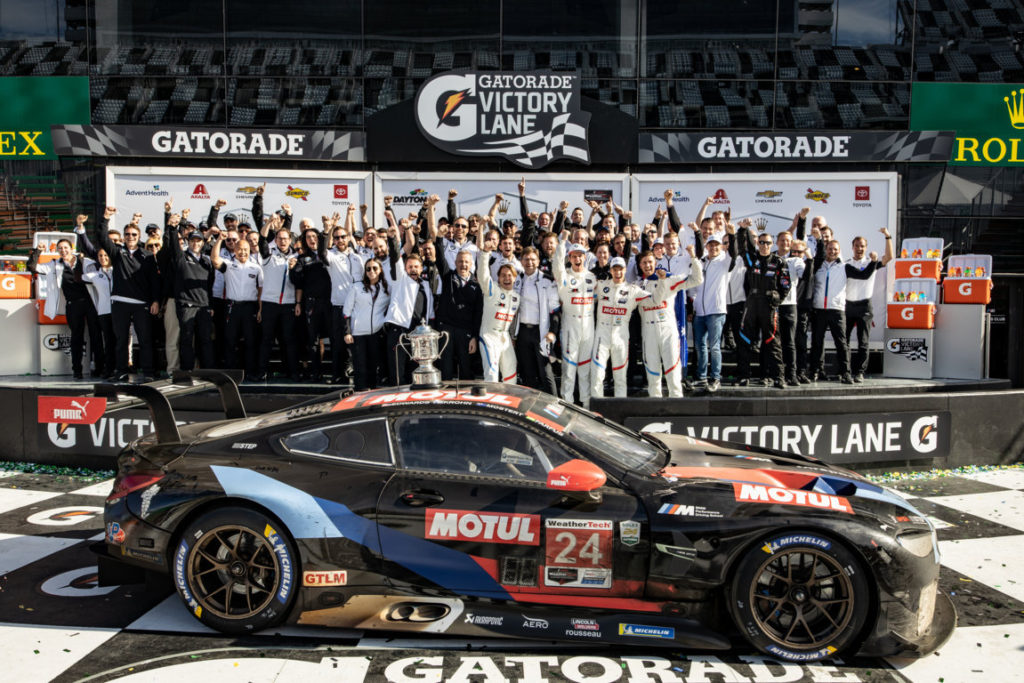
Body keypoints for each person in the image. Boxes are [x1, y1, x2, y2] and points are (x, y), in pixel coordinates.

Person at [96, 206, 160, 381]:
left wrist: (155, 301)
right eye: (127, 234)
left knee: (145, 340)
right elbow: (102, 238)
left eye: (134, 235)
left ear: (139, 237)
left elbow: (154, 281)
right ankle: (121, 370)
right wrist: (106, 218)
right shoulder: (117, 253)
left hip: (141, 304)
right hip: (120, 303)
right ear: (123, 237)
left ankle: (148, 372)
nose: (130, 237)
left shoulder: (147, 256)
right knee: (121, 340)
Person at [28, 235, 101, 379]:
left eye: (66, 248)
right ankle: (77, 370)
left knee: (96, 336)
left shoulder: (85, 262)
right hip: (73, 305)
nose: (63, 250)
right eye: (60, 248)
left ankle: (99, 368)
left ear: (71, 248)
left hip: (90, 303)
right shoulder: (54, 264)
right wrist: (38, 251)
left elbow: (101, 264)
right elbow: (32, 267)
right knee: (76, 338)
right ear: (57, 250)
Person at [636, 250, 703, 397]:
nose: (647, 265)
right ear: (640, 265)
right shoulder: (637, 286)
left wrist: (693, 256)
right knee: (653, 373)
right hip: (648, 330)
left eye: (650, 262)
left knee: (673, 371)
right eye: (644, 262)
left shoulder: (670, 279)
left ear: (655, 263)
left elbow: (697, 279)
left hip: (668, 329)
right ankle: (655, 407)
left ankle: (677, 406)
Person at [737, 224, 791, 389]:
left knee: (772, 342)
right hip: (752, 303)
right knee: (745, 339)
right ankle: (744, 376)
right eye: (761, 242)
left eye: (768, 243)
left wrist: (778, 300)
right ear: (758, 243)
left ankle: (778, 377)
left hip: (769, 305)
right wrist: (741, 230)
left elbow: (786, 285)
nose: (765, 245)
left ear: (772, 244)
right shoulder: (751, 258)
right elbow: (740, 246)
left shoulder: (779, 262)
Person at [591, 256, 653, 398]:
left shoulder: (633, 290)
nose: (618, 273)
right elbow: (582, 294)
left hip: (621, 335)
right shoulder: (601, 286)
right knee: (597, 375)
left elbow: (654, 299)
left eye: (620, 269)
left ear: (625, 270)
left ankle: (619, 409)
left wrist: (664, 284)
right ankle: (593, 411)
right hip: (602, 334)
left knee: (620, 377)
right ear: (610, 270)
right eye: (615, 269)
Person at [690, 227, 739, 392]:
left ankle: (715, 377)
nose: (713, 248)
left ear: (722, 246)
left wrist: (731, 235)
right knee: (700, 346)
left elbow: (734, 252)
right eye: (710, 245)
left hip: (716, 311)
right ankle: (702, 376)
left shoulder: (725, 261)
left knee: (715, 347)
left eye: (716, 245)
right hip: (700, 312)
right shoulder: (702, 261)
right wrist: (693, 307)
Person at [164, 215, 215, 372]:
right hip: (186, 305)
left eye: (198, 241)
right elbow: (173, 245)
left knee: (205, 340)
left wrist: (210, 305)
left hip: (204, 307)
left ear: (202, 242)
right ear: (188, 242)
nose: (195, 243)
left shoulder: (207, 261)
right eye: (192, 240)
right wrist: (172, 228)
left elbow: (210, 285)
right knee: (186, 340)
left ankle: (207, 372)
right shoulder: (181, 257)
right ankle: (187, 373)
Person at [552, 238, 597, 407]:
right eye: (574, 256)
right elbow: (557, 266)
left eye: (580, 256)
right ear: (569, 258)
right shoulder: (565, 277)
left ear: (585, 257)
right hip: (570, 325)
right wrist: (562, 244)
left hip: (589, 325)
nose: (577, 259)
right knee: (569, 369)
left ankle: (586, 404)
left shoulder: (592, 278)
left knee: (585, 369)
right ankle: (567, 404)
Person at [845, 227, 894, 382]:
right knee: (843, 341)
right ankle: (845, 371)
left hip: (865, 306)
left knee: (863, 341)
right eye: (857, 245)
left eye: (862, 246)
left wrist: (887, 237)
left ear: (866, 248)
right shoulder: (846, 263)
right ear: (852, 247)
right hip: (847, 306)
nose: (859, 248)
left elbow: (889, 257)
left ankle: (859, 372)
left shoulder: (871, 262)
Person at [211, 234, 263, 379]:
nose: (243, 252)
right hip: (232, 307)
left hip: (250, 308)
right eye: (240, 249)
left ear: (249, 250)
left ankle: (251, 373)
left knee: (250, 341)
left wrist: (260, 309)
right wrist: (219, 240)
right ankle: (231, 373)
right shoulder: (228, 265)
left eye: (246, 249)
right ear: (235, 250)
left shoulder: (256, 268)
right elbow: (214, 260)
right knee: (230, 340)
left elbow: (260, 290)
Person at [476, 223, 520, 384]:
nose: (507, 278)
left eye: (510, 275)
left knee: (510, 373)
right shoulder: (491, 289)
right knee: (492, 376)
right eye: (503, 276)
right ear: (498, 277)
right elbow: (483, 275)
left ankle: (509, 405)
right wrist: (486, 253)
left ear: (515, 278)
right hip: (489, 336)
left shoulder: (516, 296)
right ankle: (490, 406)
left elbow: (515, 320)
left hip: (505, 336)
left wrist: (513, 337)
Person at [325, 207, 364, 384]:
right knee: (337, 344)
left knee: (356, 345)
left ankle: (355, 375)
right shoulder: (331, 256)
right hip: (339, 307)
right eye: (337, 237)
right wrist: (328, 230)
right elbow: (321, 250)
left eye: (343, 236)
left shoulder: (358, 256)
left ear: (349, 238)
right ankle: (337, 376)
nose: (340, 240)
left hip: (358, 307)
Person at [514, 246, 560, 395]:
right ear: (521, 261)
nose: (529, 262)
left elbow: (555, 310)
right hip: (522, 332)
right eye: (526, 259)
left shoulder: (548, 280)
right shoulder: (517, 279)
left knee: (545, 373)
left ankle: (554, 405)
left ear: (538, 261)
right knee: (527, 374)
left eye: (533, 259)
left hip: (541, 332)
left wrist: (553, 332)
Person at [290, 226, 332, 381]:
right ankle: (316, 372)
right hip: (311, 304)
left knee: (334, 338)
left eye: (314, 236)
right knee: (313, 340)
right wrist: (292, 270)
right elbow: (296, 282)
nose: (312, 239)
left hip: (329, 302)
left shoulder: (329, 254)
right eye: (308, 237)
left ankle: (337, 373)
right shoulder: (301, 259)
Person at [344, 259, 390, 391]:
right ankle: (360, 392)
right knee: (360, 366)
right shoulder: (357, 287)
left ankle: (372, 392)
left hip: (376, 333)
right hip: (358, 333)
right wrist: (347, 331)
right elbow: (347, 311)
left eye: (375, 268)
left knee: (373, 365)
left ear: (380, 270)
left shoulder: (386, 289)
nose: (371, 271)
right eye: (368, 269)